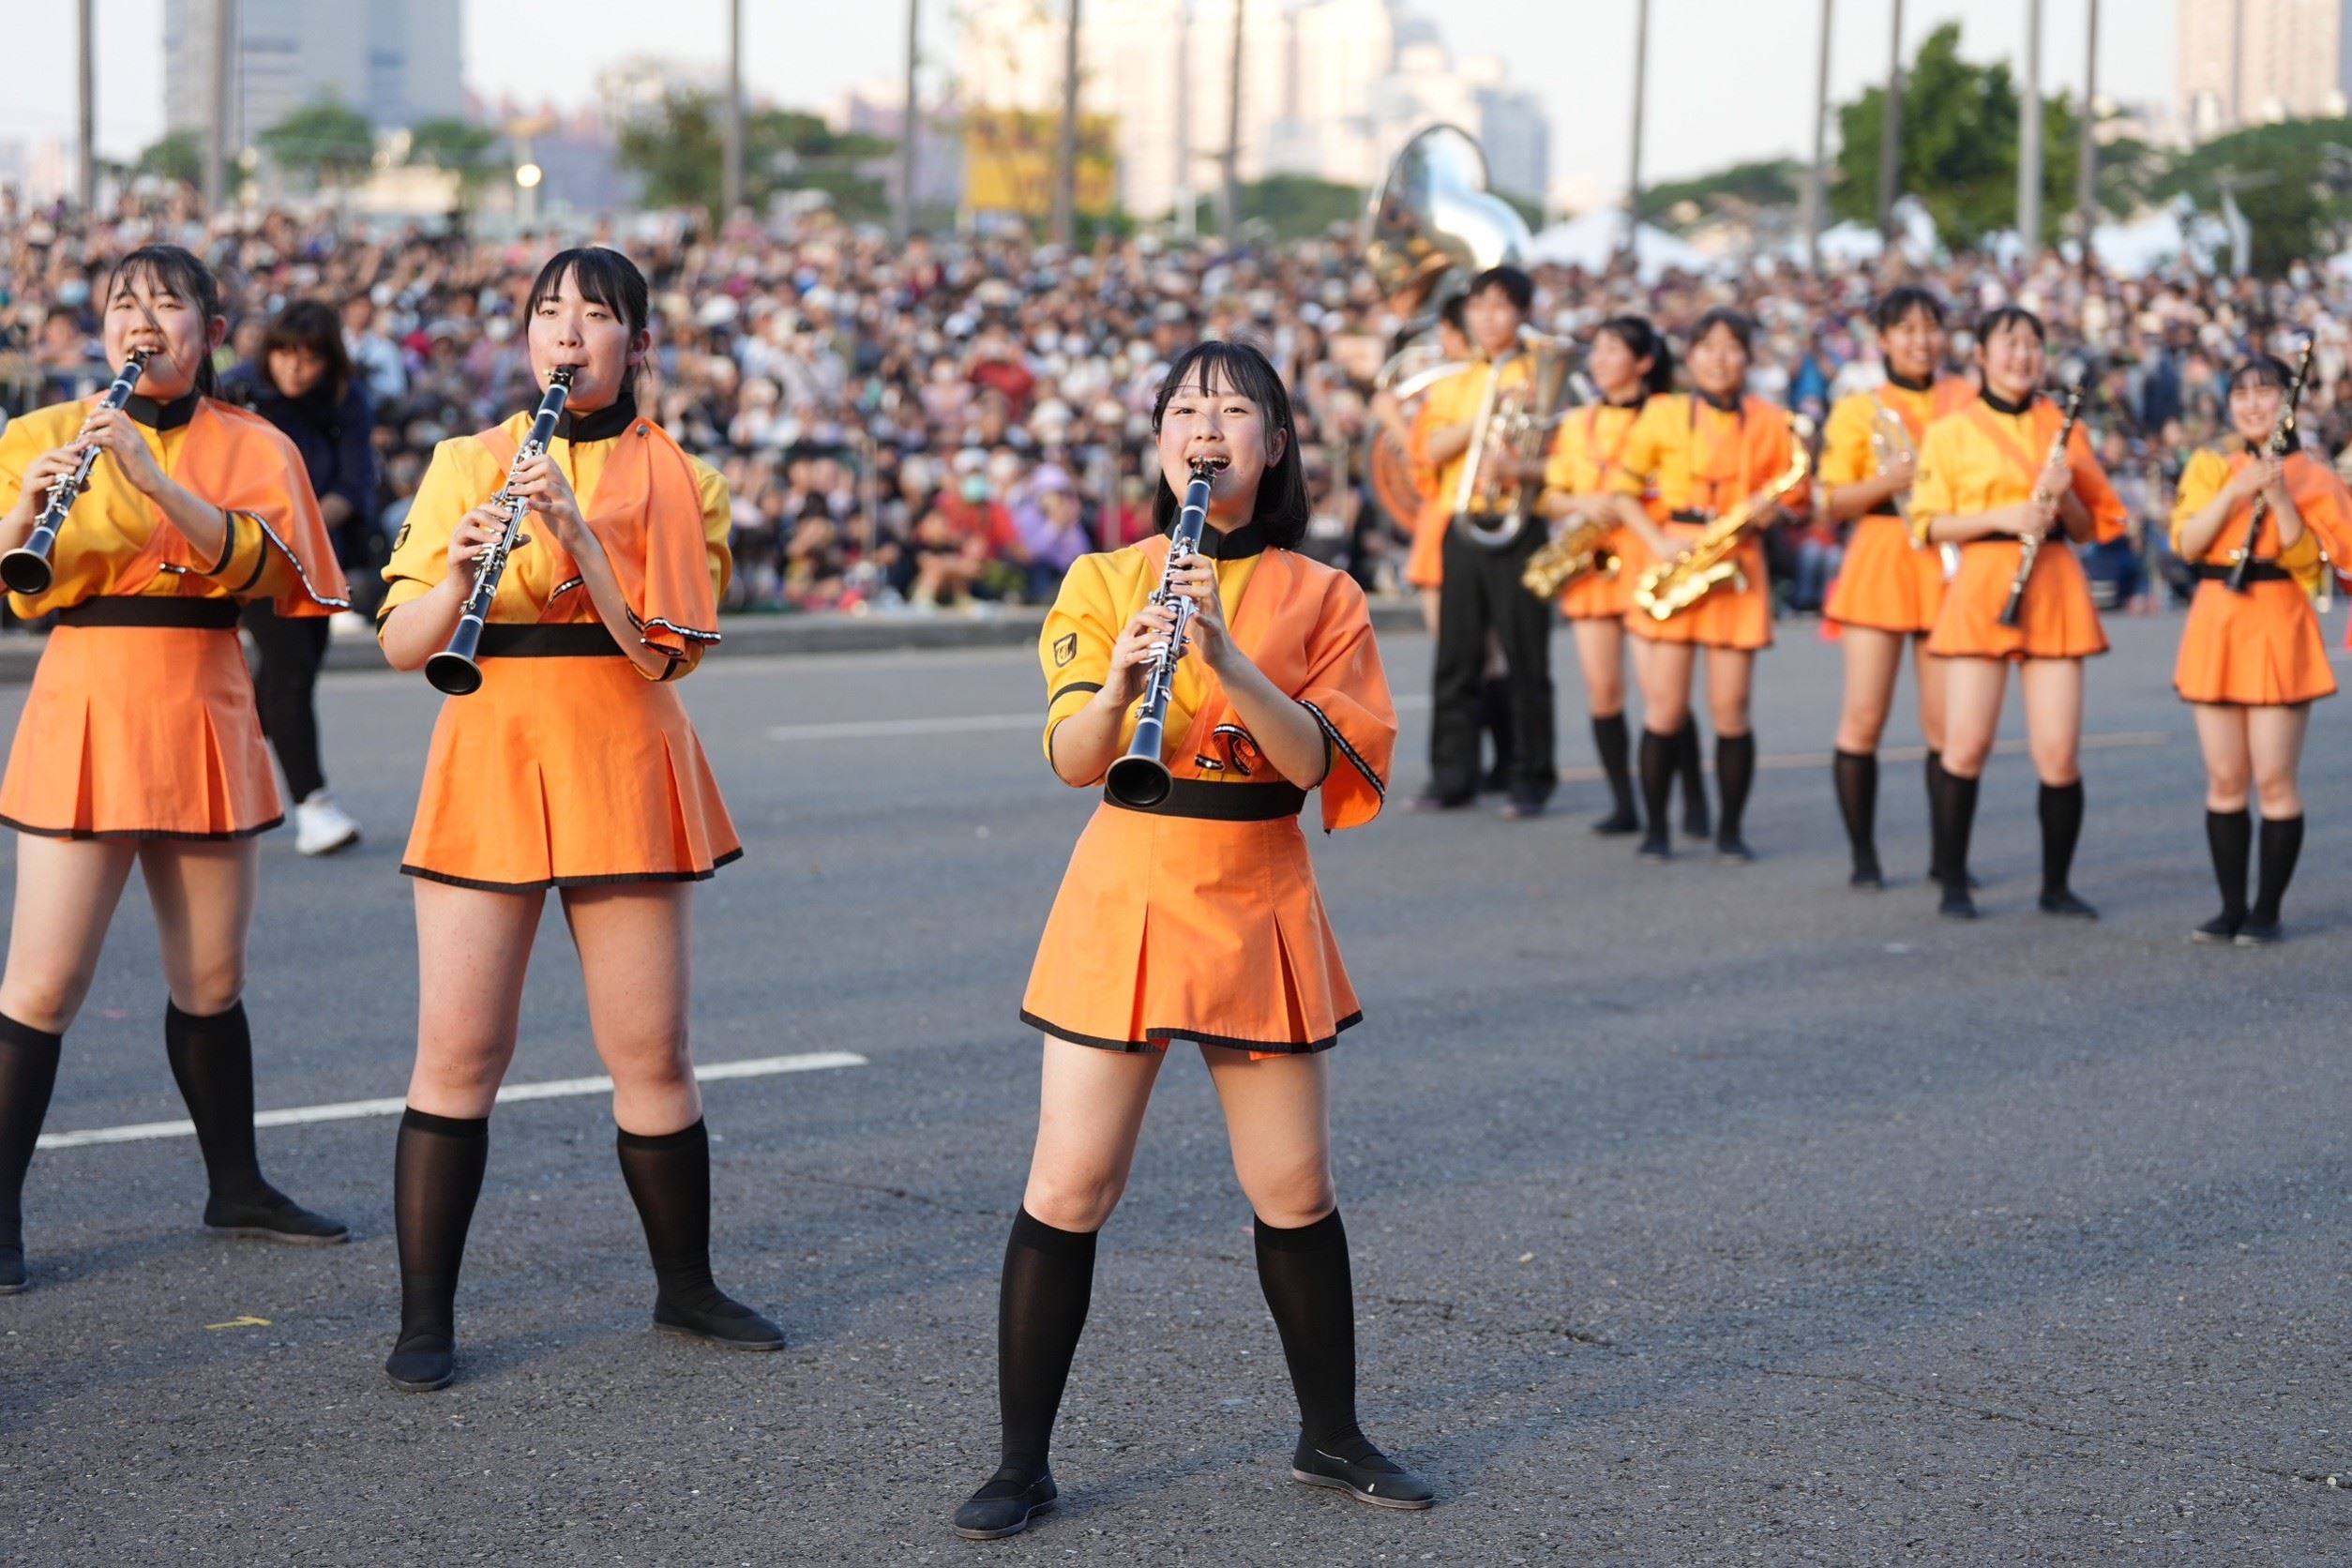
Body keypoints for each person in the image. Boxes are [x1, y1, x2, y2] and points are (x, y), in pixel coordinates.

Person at [953, 341, 1429, 1541]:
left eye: (1236, 408)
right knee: (1070, 1184)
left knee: (1293, 1188)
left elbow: (1322, 761)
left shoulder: (1326, 595)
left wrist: (1225, 659)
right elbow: (1072, 758)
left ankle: (1330, 1433)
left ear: (1275, 446)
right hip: (1128, 883)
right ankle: (1022, 1461)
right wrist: (1120, 689)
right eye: (1184, 406)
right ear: (1160, 441)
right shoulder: (1103, 577)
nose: (1205, 423)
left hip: (1260, 883)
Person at [374, 247, 777, 1392]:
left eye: (594, 316)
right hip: (489, 748)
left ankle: (685, 1286)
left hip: (622, 750)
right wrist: (458, 572)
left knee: (651, 1053)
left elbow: (667, 651)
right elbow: (405, 644)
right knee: (459, 1051)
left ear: (637, 346)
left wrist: (584, 541)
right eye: (548, 312)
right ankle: (424, 1319)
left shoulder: (682, 478)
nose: (567, 332)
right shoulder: (467, 459)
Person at [0, 245, 353, 1295]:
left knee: (212, 979)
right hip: (89, 694)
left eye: (167, 303)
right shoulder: (38, 436)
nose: (140, 320)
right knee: (45, 981)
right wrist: (28, 511)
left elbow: (272, 575)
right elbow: (17, 581)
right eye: (122, 304)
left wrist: (150, 476)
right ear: (98, 330)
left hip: (202, 688)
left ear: (209, 333)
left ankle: (235, 1183)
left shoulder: (254, 444)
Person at [1910, 307, 2127, 921]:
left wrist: (2063, 500)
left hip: (2054, 580)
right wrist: (2003, 518)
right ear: (1980, 353)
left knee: (2058, 752)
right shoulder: (1952, 430)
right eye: (2009, 344)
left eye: (2033, 344)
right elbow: (1927, 524)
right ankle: (1953, 879)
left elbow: (2089, 528)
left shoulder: (2064, 424)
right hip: (1983, 580)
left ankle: (2056, 886)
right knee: (1967, 744)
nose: (2023, 355)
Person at [1608, 308, 1806, 862]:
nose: (1721, 359)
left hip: (1737, 559)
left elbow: (1799, 502)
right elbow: (1624, 492)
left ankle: (1730, 830)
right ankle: (1656, 830)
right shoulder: (1664, 413)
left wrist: (1777, 511)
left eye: (1733, 347)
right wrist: (1656, 540)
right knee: (1664, 709)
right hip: (1674, 552)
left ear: (1748, 356)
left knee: (1731, 708)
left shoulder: (1771, 420)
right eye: (1708, 347)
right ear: (1690, 356)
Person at [2168, 354, 2352, 944]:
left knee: (2274, 779)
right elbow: (2189, 544)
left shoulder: (2317, 477)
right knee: (2224, 778)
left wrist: (2278, 500)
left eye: (2265, 392)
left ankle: (2267, 909)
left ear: (2287, 402)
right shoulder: (2206, 465)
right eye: (2241, 393)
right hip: (2217, 618)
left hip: (2280, 619)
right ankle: (2229, 906)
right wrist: (2234, 492)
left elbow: (2316, 569)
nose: (2252, 404)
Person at [1817, 289, 1978, 889]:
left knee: (1946, 726)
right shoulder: (1860, 409)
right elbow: (1831, 501)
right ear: (1881, 340)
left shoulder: (1965, 400)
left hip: (1949, 557)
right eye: (1906, 329)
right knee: (1863, 717)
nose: (1920, 340)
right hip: (1882, 556)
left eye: (1931, 328)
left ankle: (1947, 859)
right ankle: (1864, 856)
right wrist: (1891, 481)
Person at [221, 299, 376, 856]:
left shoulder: (347, 397)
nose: (293, 368)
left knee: (296, 676)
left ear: (328, 360)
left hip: (315, 555)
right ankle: (314, 806)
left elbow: (354, 484)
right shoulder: (237, 390)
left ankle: (224, 770)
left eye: (308, 358)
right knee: (288, 675)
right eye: (285, 353)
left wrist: (302, 530)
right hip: (251, 556)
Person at [1536, 313, 1696, 836]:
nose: (1600, 361)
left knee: (1663, 696)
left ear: (1644, 361)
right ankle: (1626, 804)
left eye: (1612, 350)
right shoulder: (1578, 422)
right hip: (1594, 564)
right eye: (1598, 350)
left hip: (1655, 556)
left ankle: (1692, 798)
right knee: (1604, 692)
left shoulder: (1672, 413)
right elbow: (1551, 496)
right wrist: (1588, 501)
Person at [1413, 266, 1555, 817]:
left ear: (1522, 312)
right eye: (1479, 307)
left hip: (1520, 520)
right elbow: (1430, 447)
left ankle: (1530, 777)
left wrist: (1519, 459)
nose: (1488, 318)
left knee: (1526, 656)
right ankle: (1453, 776)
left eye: (1501, 307)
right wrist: (1484, 420)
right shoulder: (1458, 379)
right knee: (1457, 655)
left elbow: (1562, 448)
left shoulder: (1541, 372)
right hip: (1462, 520)